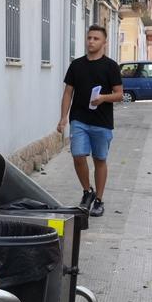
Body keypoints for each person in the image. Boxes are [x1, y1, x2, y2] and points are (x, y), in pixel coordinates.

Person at [57, 25, 123, 218]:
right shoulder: (76, 65)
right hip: (79, 119)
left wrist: (103, 98)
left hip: (102, 121)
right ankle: (87, 191)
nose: (91, 41)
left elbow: (119, 94)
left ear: (104, 42)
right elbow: (68, 92)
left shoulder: (111, 66)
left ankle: (99, 201)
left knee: (100, 160)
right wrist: (63, 117)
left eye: (95, 38)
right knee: (78, 156)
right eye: (89, 38)